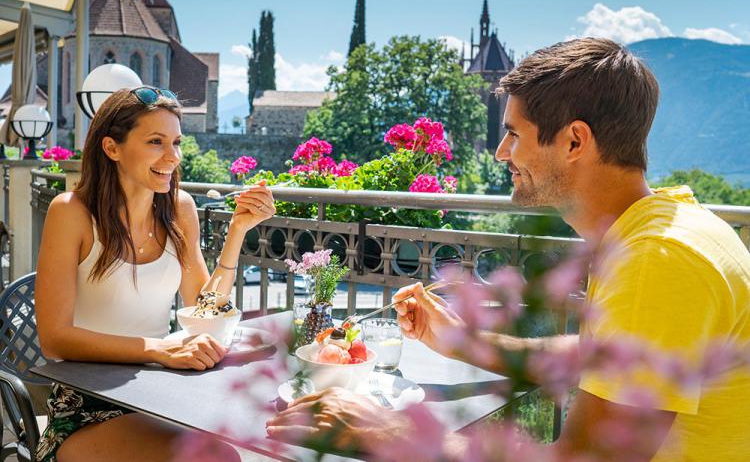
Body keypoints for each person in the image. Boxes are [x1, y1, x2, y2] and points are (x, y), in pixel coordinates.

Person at [266, 38, 750, 461]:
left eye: (514, 133)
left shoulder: (656, 260)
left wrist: (393, 432)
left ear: (574, 141)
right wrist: (462, 341)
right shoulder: (663, 230)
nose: (501, 152)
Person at [34, 87, 276, 461]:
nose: (173, 156)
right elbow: (54, 339)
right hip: (86, 410)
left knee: (256, 440)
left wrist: (237, 232)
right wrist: (159, 349)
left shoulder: (179, 209)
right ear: (112, 148)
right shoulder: (71, 213)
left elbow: (204, 310)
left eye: (176, 142)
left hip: (159, 396)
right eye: (155, 142)